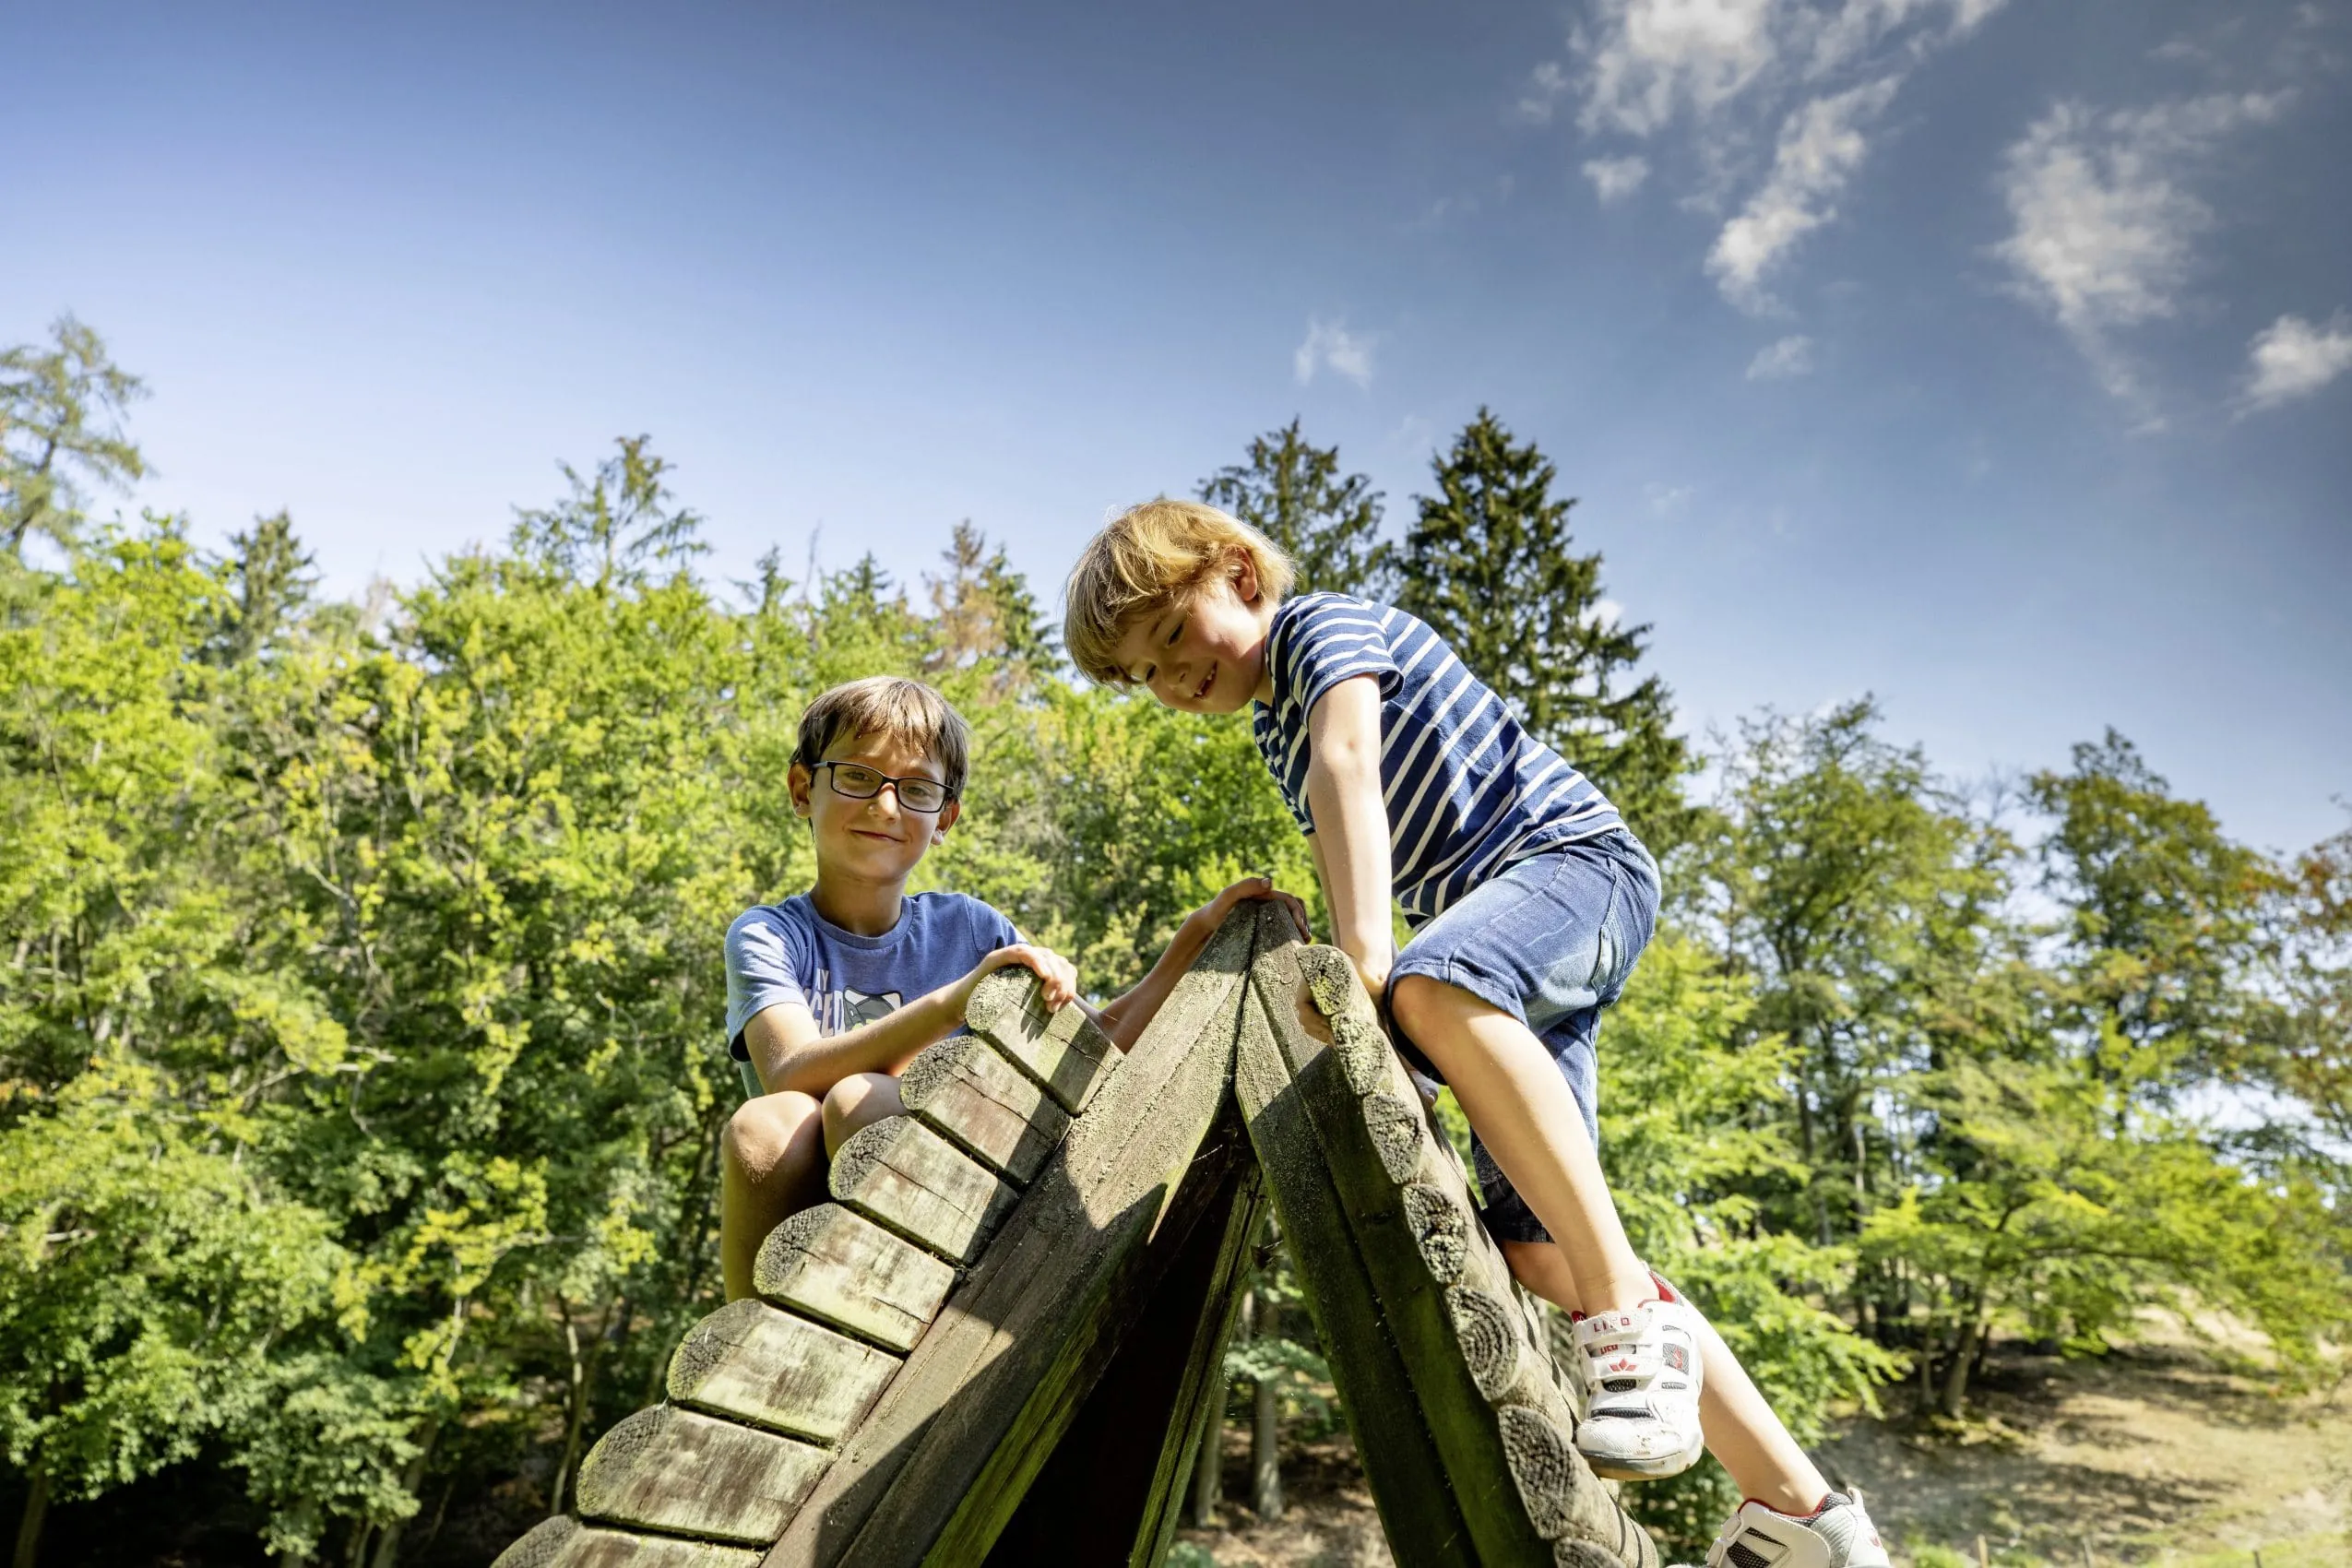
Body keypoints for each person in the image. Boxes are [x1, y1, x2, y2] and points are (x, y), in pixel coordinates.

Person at [1062, 503, 1888, 1568]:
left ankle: (1627, 1312)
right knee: (1546, 1249)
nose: (1172, 681)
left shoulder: (1321, 631)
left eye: (1172, 636)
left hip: (1574, 865)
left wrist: (1365, 958)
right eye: (1144, 674)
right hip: (1510, 946)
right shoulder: (1275, 728)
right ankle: (1804, 1511)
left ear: (1240, 574)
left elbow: (1350, 765)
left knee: (1428, 989)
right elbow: (1336, 801)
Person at [719, 674, 1302, 1301]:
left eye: (915, 788)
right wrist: (956, 1000)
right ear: (803, 788)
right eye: (857, 777)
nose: (886, 806)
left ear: (944, 817)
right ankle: (752, 1346)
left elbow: (1094, 1047)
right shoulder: (771, 936)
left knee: (862, 1100)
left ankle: (920, 1309)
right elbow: (789, 1073)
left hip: (950, 1237)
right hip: (804, 1235)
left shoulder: (971, 929)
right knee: (770, 1124)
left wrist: (1196, 937)